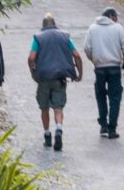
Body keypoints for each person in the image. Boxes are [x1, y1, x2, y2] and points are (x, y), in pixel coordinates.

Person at [28, 14, 83, 152]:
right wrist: (79, 74)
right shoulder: (65, 36)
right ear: (55, 24)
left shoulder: (38, 37)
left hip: (44, 78)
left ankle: (47, 134)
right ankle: (58, 129)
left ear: (43, 25)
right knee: (58, 108)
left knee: (44, 107)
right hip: (59, 77)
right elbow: (76, 55)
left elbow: (31, 57)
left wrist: (33, 73)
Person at [84, 6, 124, 139]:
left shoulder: (93, 28)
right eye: (115, 16)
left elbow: (87, 48)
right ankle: (112, 128)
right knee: (115, 98)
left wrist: (94, 60)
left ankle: (103, 124)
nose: (117, 19)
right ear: (111, 16)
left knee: (101, 95)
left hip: (99, 68)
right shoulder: (118, 28)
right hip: (114, 67)